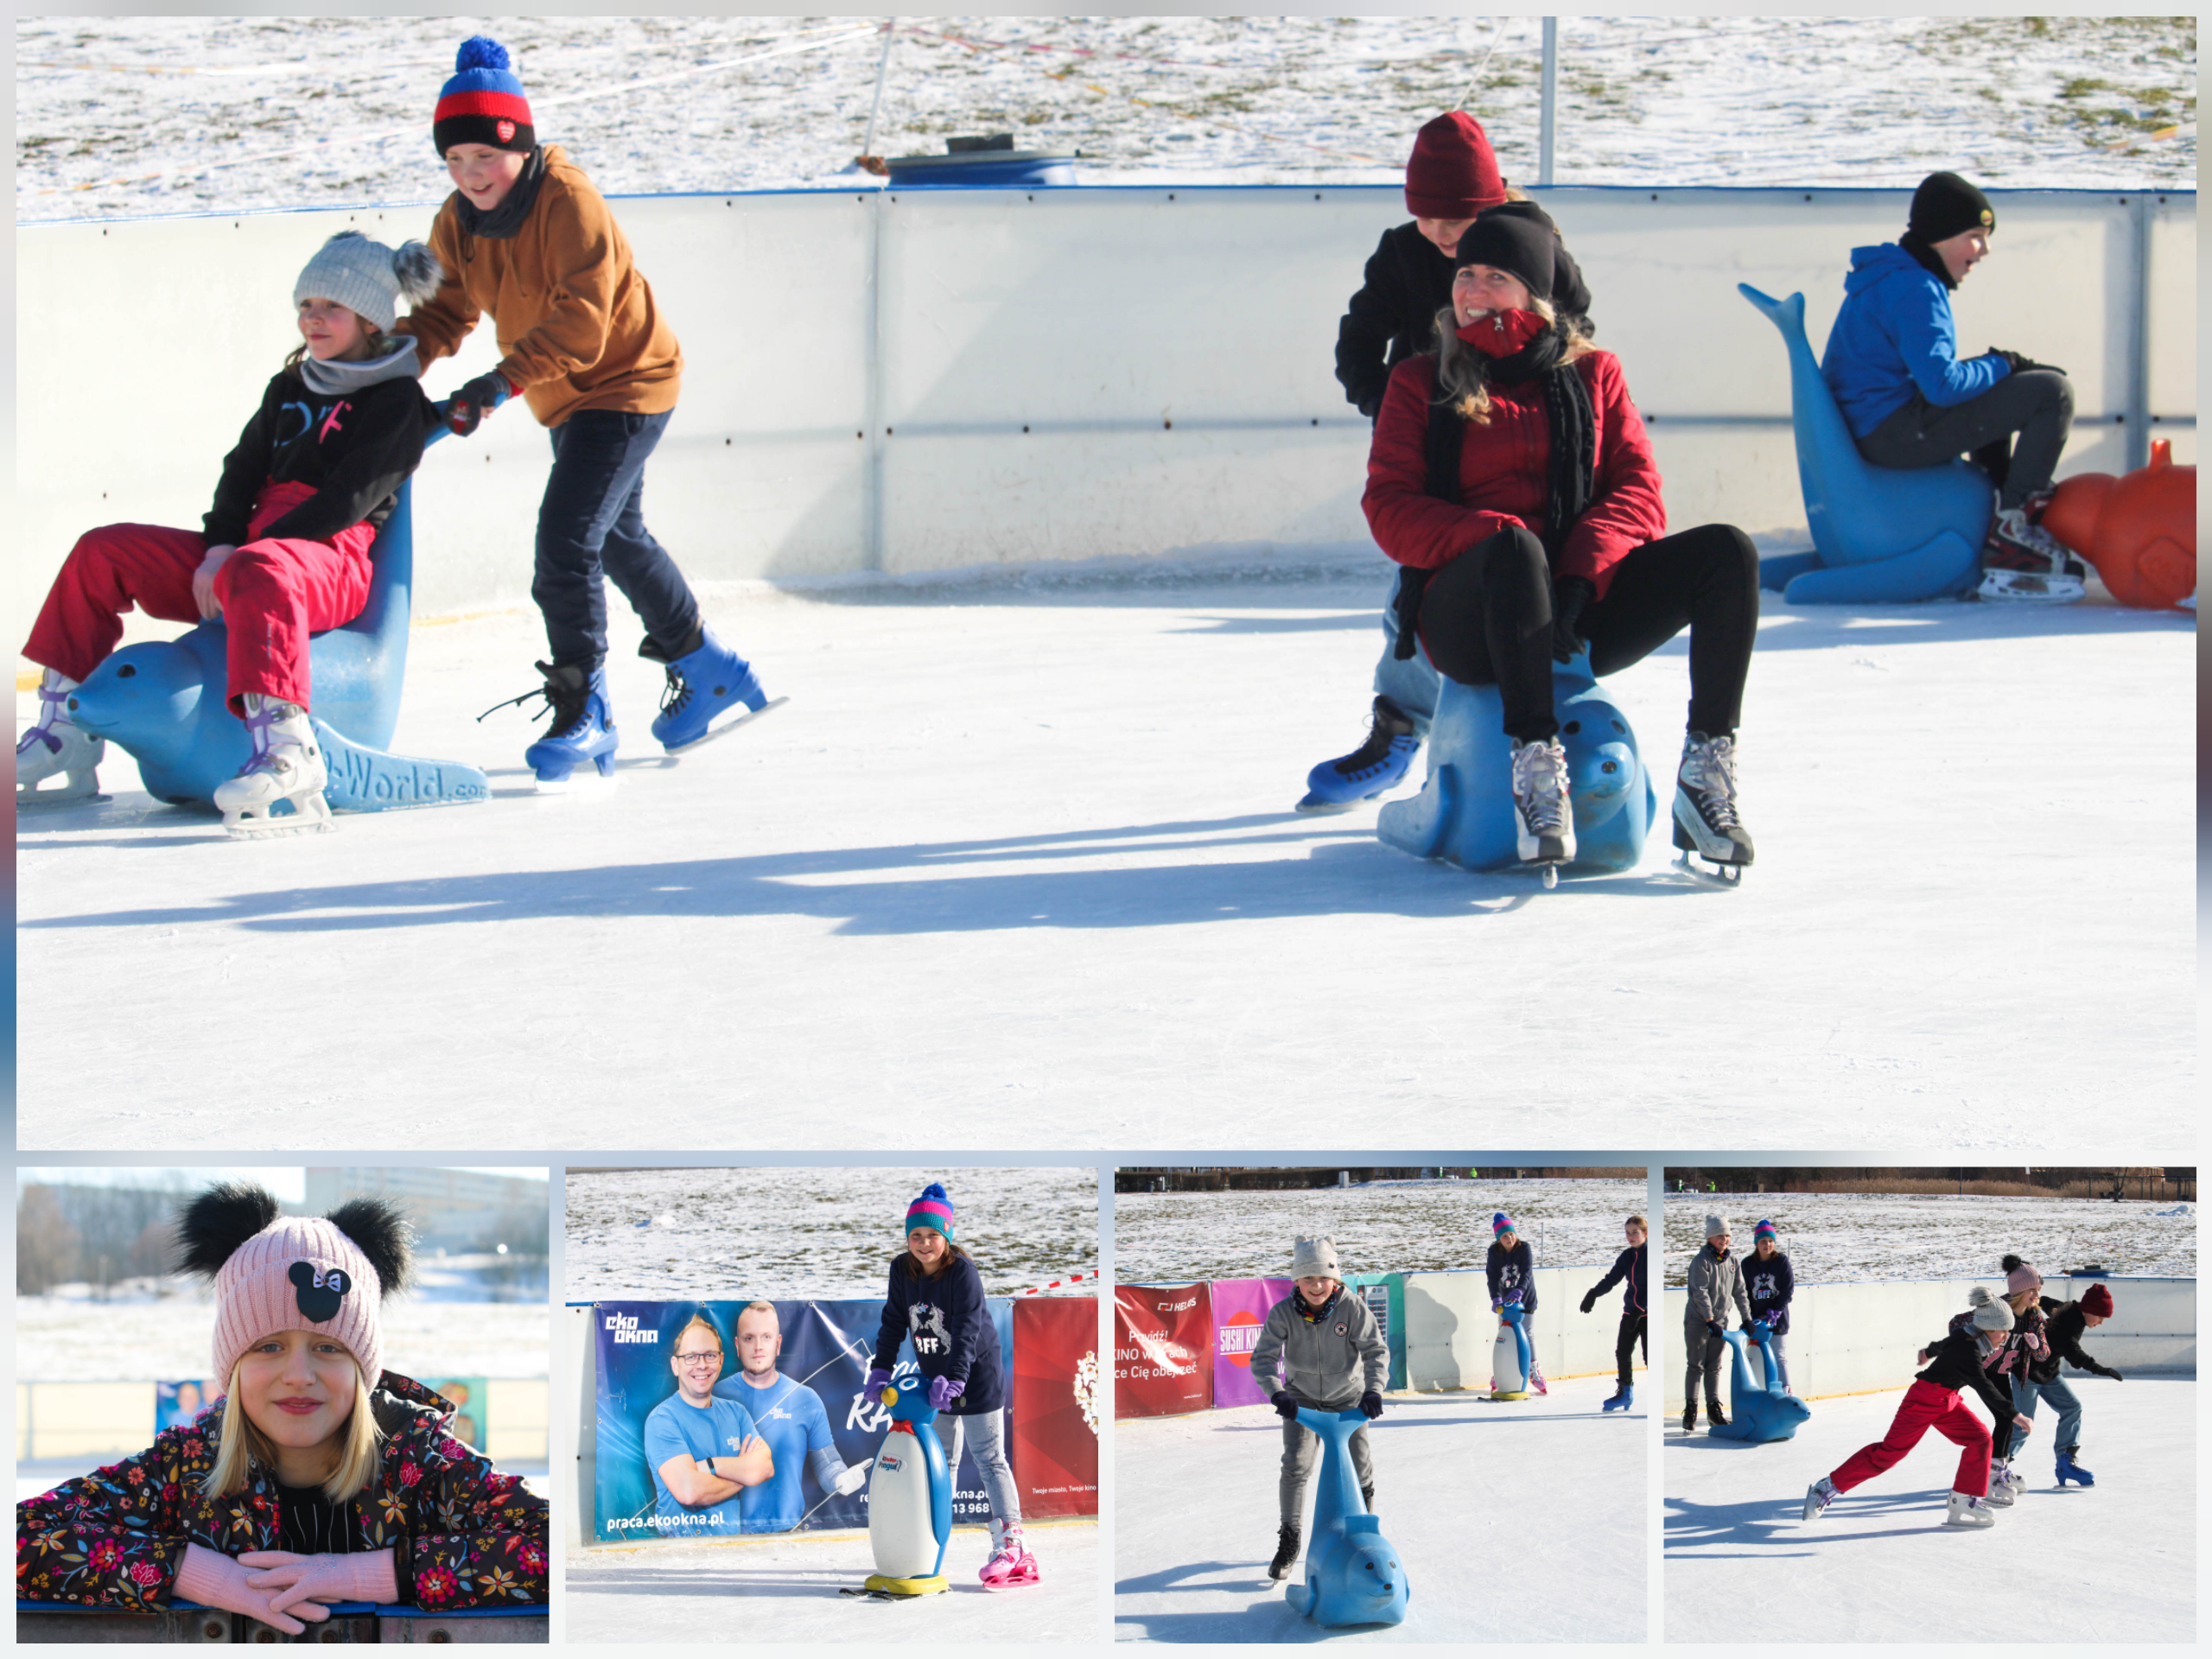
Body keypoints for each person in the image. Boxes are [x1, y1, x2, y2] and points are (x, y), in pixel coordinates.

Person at [391, 35, 777, 789]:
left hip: (626, 383)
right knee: (618, 537)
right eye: (455, 161)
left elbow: (582, 325)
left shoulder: (569, 201)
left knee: (566, 540)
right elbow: (441, 314)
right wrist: (384, 371)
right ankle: (707, 666)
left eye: (486, 158)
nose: (471, 177)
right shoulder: (458, 220)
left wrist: (497, 386)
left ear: (521, 147)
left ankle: (584, 708)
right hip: (563, 395)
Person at [1361, 211, 1760, 880]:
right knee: (1515, 550)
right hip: (1469, 617)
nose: (1473, 291)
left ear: (1535, 295)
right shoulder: (1419, 381)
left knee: (1728, 553)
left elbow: (1637, 493)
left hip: (1574, 610)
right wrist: (1499, 541)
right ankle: (1536, 770)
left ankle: (1705, 774)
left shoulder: (1594, 375)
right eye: (1465, 275)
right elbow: (1390, 508)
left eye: (1495, 277)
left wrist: (1579, 577)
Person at [16, 232, 442, 830]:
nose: (313, 318)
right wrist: (219, 548)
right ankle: (65, 734)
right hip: (247, 550)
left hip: (327, 557)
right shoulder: (290, 387)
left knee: (260, 568)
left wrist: (250, 554)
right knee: (102, 550)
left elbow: (349, 501)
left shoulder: (397, 400)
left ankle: (289, 750)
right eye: (306, 305)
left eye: (332, 307)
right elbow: (240, 475)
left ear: (371, 320)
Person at [16, 1183, 547, 1626]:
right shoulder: (186, 1467)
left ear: (363, 1367)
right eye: (268, 1346)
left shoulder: (422, 1461)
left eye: (328, 1348)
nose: (299, 1375)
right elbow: (22, 1535)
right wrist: (192, 1571)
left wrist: (378, 1576)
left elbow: (546, 1545)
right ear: (234, 1365)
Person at [1306, 110, 1598, 812]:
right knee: (1419, 589)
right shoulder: (1402, 252)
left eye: (1458, 217)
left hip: (1527, 444)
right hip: (1439, 443)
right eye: (1429, 218)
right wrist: (1396, 411)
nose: (1442, 235)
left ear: (1491, 199)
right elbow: (1358, 343)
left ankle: (1507, 729)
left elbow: (1578, 320)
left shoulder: (1533, 237)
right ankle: (1404, 729)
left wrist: (1550, 400)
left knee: (1511, 578)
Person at [1820, 169, 2082, 603]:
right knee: (2051, 392)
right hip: (1891, 434)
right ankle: (2014, 530)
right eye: (1976, 235)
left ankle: (2000, 514)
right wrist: (2003, 364)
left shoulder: (1890, 277)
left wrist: (1998, 370)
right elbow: (1943, 386)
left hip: (1875, 427)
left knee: (1998, 387)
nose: (1984, 249)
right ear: (1942, 235)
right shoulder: (1916, 287)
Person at [865, 1184, 1033, 1586]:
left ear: (948, 1236)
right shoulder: (900, 1269)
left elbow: (967, 1329)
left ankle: (1013, 1547)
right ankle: (932, 1538)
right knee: (941, 1461)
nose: (924, 1244)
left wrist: (956, 1378)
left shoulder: (963, 1273)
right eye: (916, 1236)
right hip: (932, 1378)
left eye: (933, 1235)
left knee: (989, 1458)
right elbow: (893, 1322)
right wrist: (881, 1369)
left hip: (975, 1376)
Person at [1803, 1291, 2031, 1529]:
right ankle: (1826, 1487)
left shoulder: (1967, 1336)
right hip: (1923, 1401)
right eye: (2003, 1330)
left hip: (1947, 1401)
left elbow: (1943, 1344)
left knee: (1981, 1439)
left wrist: (1928, 1352)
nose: (2005, 1337)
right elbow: (1984, 1387)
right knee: (1888, 1454)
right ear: (1987, 1326)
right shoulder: (1969, 1351)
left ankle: (1962, 1499)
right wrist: (2014, 1414)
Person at [1249, 1236, 1389, 1584]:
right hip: (1302, 1402)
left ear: (1335, 1279)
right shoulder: (1283, 1313)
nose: (1316, 1285)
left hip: (1348, 1401)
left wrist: (1373, 1391)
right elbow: (1263, 1359)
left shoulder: (1352, 1307)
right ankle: (1290, 1539)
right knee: (1296, 1465)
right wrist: (1277, 1393)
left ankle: (1364, 1532)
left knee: (1360, 1468)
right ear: (1296, 1280)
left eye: (1323, 1278)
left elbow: (1376, 1351)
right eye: (1308, 1278)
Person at [712, 1300, 868, 1531]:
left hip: (787, 1534)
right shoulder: (714, 1396)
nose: (758, 1347)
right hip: (725, 1534)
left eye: (766, 1337)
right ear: (737, 1345)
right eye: (749, 1338)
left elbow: (827, 1464)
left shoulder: (806, 1399)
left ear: (778, 1343)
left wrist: (840, 1480)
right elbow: (695, 1466)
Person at [642, 1313, 773, 1536]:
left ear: (721, 1361)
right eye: (691, 1357)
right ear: (676, 1365)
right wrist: (743, 1476)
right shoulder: (662, 1420)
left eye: (710, 1355)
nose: (702, 1365)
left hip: (730, 1550)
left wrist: (709, 1465)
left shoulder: (737, 1413)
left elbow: (765, 1467)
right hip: (679, 1552)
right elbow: (689, 1490)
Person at [2032, 1281, 2121, 1487]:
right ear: (2089, 1310)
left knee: (2072, 1408)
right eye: (2100, 1317)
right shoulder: (2070, 1326)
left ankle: (2065, 1462)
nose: (2101, 1322)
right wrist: (2102, 1369)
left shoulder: (2069, 1308)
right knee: (2022, 1423)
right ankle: (1995, 1467)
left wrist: (2036, 1299)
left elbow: (2046, 1303)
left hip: (2048, 1372)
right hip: (2026, 1374)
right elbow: (2075, 1355)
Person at [1682, 1216, 1752, 1433]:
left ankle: (1713, 1410)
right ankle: (1691, 1409)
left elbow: (1740, 1292)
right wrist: (1709, 1319)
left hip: (1720, 1322)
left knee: (1714, 1367)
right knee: (1696, 1366)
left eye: (1727, 1235)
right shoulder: (1701, 1261)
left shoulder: (1733, 1262)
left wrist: (1746, 1317)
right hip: (1699, 1321)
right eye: (1720, 1235)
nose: (1724, 1239)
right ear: (1710, 1237)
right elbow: (1700, 1292)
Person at [1580, 1214, 1647, 1412]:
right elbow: (1612, 1279)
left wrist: (1640, 1309)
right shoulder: (1627, 1256)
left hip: (1647, 1313)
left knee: (1650, 1356)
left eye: (1635, 1232)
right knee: (1623, 1352)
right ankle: (1625, 1393)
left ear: (1645, 1233)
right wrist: (1593, 1293)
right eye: (1627, 1233)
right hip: (1630, 1313)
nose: (1631, 1236)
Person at [1485, 1211, 1543, 1394]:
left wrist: (1519, 1290)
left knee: (1527, 1333)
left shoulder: (1524, 1248)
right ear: (1498, 1239)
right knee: (1505, 1334)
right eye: (1504, 1236)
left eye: (1511, 1234)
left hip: (1525, 1300)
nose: (1509, 1238)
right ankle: (1501, 1372)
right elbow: (1492, 1277)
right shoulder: (1493, 1253)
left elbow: (1527, 1272)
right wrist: (1496, 1298)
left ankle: (1533, 1371)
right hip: (1506, 1305)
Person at [1744, 1218, 1795, 1391]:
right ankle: (1761, 1393)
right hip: (1758, 1323)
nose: (1768, 1244)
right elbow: (1744, 1293)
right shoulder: (1747, 1264)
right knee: (1758, 1357)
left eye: (1771, 1241)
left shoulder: (1781, 1261)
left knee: (1778, 1357)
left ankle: (1785, 1392)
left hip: (1777, 1321)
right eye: (1763, 1241)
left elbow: (1788, 1290)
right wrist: (1749, 1318)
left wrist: (1776, 1312)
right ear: (1756, 1242)